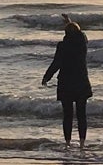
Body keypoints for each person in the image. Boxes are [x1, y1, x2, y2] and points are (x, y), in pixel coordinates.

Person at [42, 14, 93, 150]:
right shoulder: (82, 44)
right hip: (81, 82)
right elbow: (82, 35)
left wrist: (47, 77)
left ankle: (68, 143)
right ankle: (82, 143)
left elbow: (56, 63)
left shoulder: (62, 46)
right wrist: (70, 23)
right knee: (81, 114)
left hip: (65, 83)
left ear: (65, 33)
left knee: (67, 115)